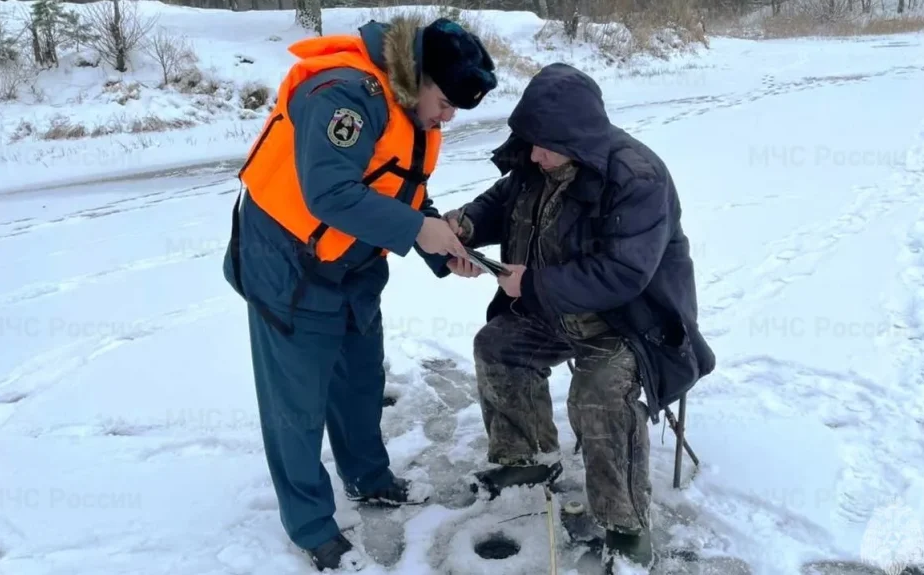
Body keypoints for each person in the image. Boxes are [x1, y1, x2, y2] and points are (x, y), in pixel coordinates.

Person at [221, 14, 497, 572]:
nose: (448, 117)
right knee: (296, 403)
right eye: (445, 103)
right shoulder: (343, 94)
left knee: (359, 376)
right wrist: (420, 230)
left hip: (353, 263)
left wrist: (443, 250)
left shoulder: (414, 105)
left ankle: (369, 478)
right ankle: (311, 525)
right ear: (418, 75)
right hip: (288, 264)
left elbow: (399, 186)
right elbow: (329, 194)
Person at [442, 62, 715, 571]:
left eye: (543, 144)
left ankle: (625, 526)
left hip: (631, 326)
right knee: (497, 346)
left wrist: (533, 284)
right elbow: (502, 202)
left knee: (596, 394)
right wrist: (466, 226)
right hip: (553, 310)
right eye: (528, 142)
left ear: (576, 137)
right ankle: (526, 461)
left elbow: (624, 272)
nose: (533, 154)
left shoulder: (637, 178)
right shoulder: (537, 160)